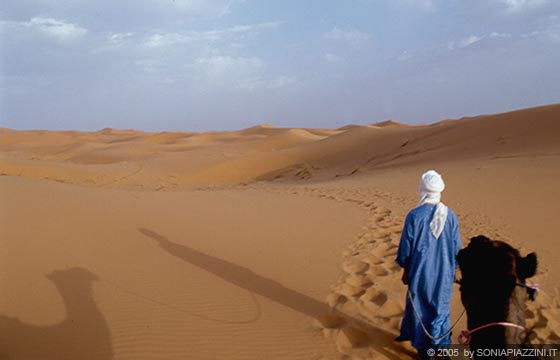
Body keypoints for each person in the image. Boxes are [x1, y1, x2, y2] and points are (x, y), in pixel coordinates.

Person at [395, 170, 462, 359]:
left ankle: (424, 348)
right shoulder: (450, 216)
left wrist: (405, 270)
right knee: (440, 307)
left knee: (420, 306)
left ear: (422, 189)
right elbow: (457, 247)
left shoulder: (414, 216)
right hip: (445, 272)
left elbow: (405, 248)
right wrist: (455, 269)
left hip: (419, 272)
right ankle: (439, 347)